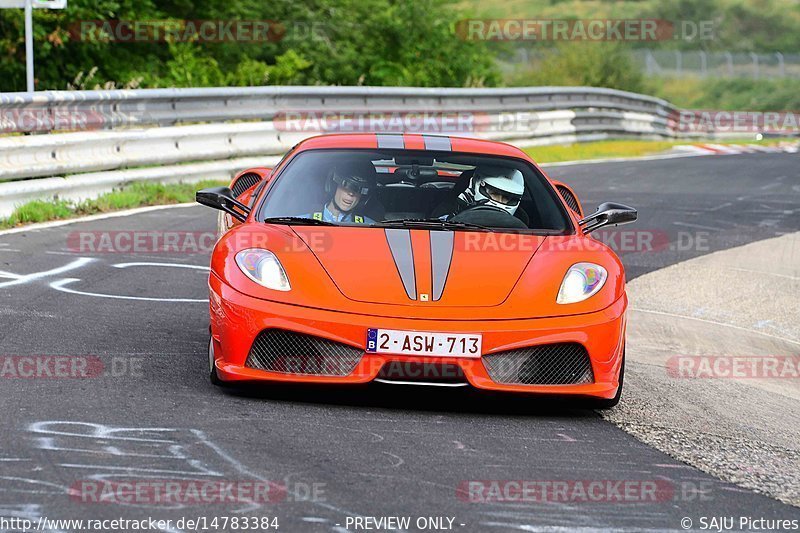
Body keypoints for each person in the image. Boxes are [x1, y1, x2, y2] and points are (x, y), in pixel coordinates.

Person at [306, 163, 377, 224]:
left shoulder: (372, 228)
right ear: (333, 186)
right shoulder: (300, 224)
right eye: (347, 185)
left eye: (359, 189)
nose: (351, 193)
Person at [448, 166, 525, 218]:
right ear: (476, 184)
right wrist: (458, 214)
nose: (500, 201)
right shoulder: (448, 209)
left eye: (506, 197)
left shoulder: (523, 226)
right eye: (494, 193)